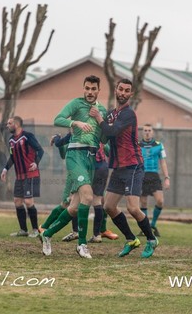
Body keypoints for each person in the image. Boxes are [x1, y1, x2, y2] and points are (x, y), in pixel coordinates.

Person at [89, 78, 158, 259]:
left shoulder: (129, 114)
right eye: (121, 89)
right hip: (119, 168)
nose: (123, 93)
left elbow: (112, 131)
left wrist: (98, 118)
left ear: (131, 94)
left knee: (133, 209)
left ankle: (151, 240)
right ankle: (131, 239)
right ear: (116, 89)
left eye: (127, 91)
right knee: (109, 206)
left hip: (133, 166)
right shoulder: (111, 114)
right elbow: (105, 135)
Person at [40, 75, 107, 258]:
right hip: (75, 154)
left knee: (74, 207)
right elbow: (58, 118)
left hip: (90, 159)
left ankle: (46, 234)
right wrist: (75, 122)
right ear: (83, 88)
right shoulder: (76, 104)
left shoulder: (102, 110)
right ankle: (82, 244)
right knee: (88, 195)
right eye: (87, 88)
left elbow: (104, 139)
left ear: (99, 90)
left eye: (93, 89)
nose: (90, 92)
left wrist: (114, 150)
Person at [1, 116, 44, 238]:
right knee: (17, 201)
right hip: (19, 176)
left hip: (31, 174)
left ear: (17, 124)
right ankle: (23, 230)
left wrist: (36, 163)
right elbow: (12, 157)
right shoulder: (11, 140)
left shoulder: (28, 136)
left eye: (9, 123)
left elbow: (40, 151)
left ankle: (36, 230)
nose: (7, 125)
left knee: (28, 201)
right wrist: (5, 169)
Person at [139, 124, 170, 237]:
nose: (147, 132)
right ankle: (145, 227)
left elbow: (163, 162)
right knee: (143, 202)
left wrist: (167, 178)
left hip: (154, 176)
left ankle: (152, 224)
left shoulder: (159, 145)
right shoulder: (138, 145)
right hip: (141, 175)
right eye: (145, 130)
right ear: (143, 132)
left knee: (160, 201)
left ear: (152, 132)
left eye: (149, 130)